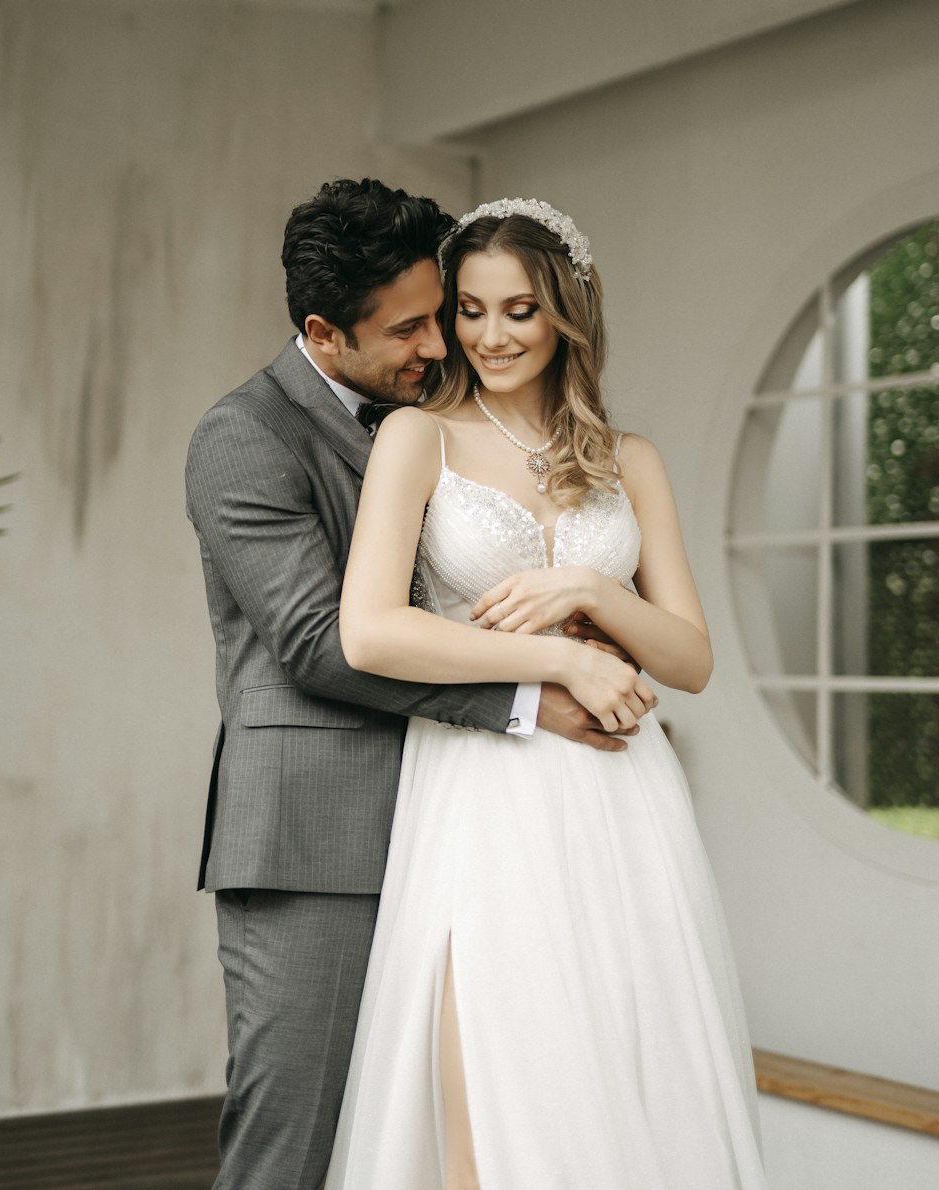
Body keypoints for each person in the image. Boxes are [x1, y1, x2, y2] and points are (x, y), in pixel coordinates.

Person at [184, 180, 649, 1190]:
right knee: (296, 1142)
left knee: (446, 1136)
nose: (438, 346)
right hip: (322, 838)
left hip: (468, 826)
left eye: (439, 314)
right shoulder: (244, 438)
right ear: (323, 330)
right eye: (410, 328)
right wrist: (533, 691)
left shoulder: (438, 415)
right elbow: (317, 639)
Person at [328, 199, 768, 1189]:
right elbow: (370, 630)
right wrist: (563, 659)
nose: (489, 336)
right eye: (470, 311)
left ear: (565, 312)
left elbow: (690, 659)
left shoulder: (631, 460)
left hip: (626, 797)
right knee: (492, 1068)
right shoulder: (418, 439)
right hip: (486, 790)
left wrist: (593, 590)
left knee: (629, 1067)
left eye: (518, 310)